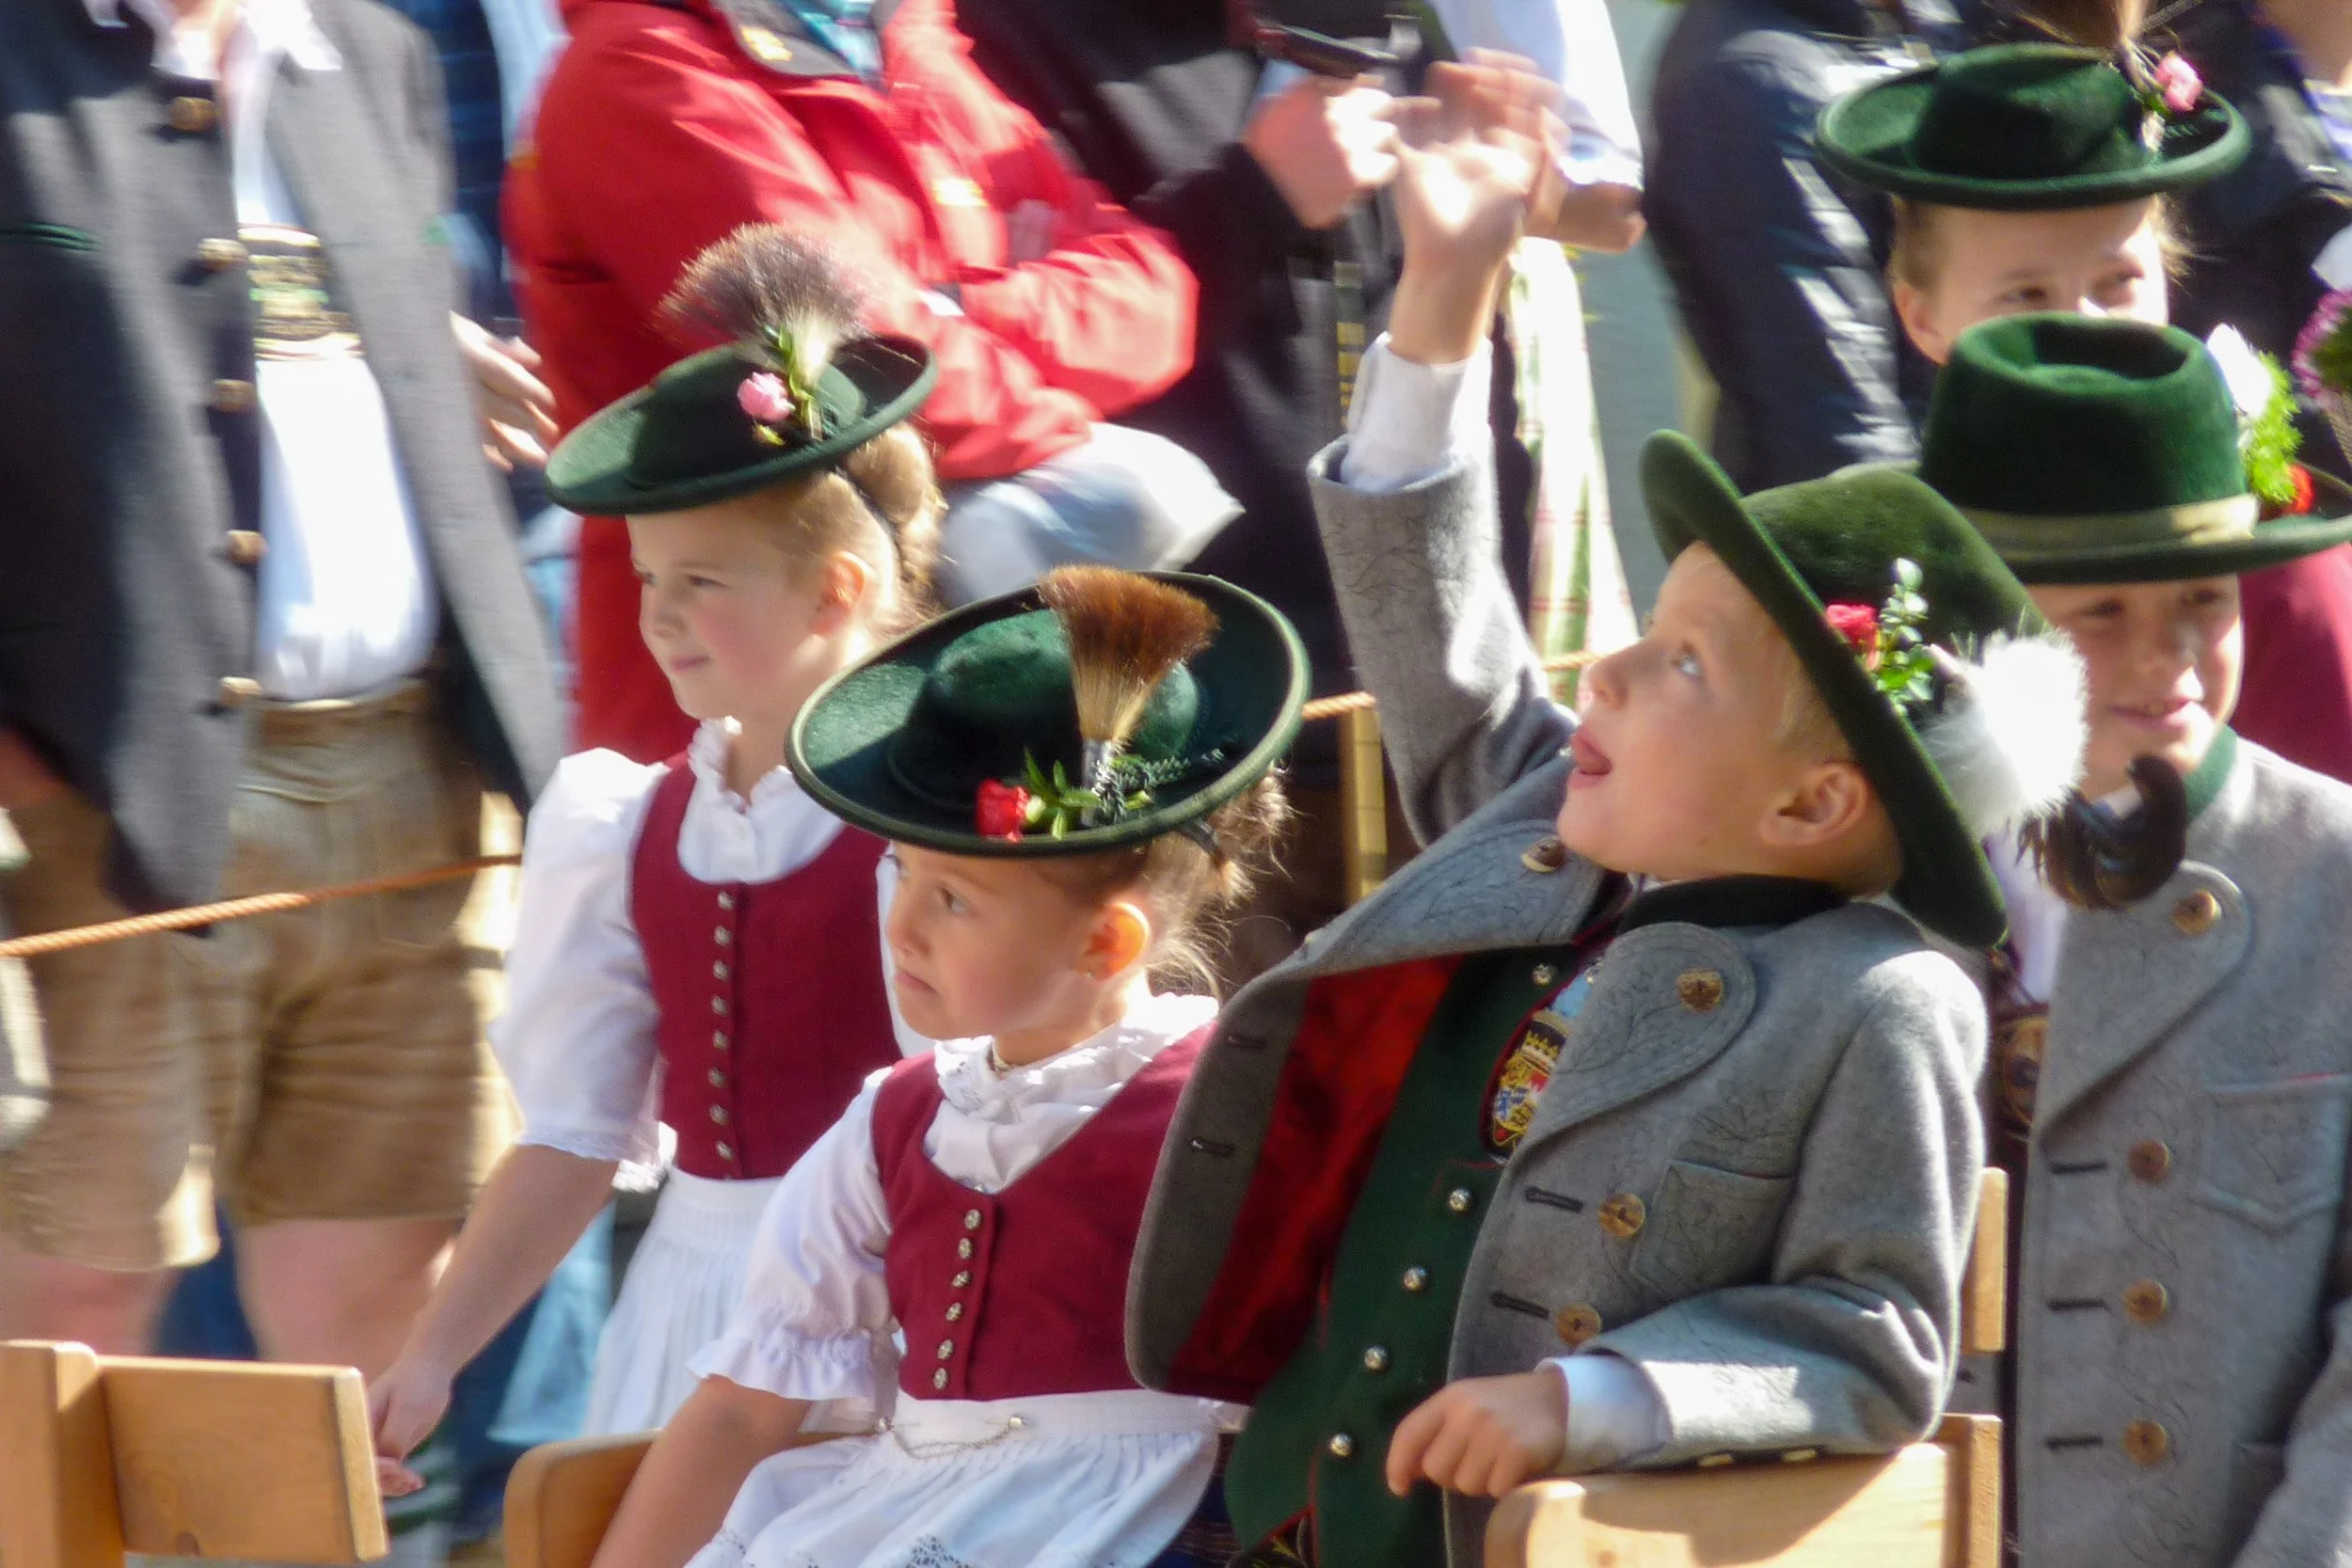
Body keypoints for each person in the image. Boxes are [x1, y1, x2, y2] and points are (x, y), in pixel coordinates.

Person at [1125, 104, 2087, 1567]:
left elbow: (1875, 1331)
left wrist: (1597, 1397)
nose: (1612, 671)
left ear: (1814, 801)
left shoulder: (1877, 999)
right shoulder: (1544, 835)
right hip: (1281, 1520)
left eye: (1685, 661)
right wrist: (1440, 298)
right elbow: (1436, 624)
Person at [0, 0, 561, 1394]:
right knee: (71, 1299)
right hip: (96, 799)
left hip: (412, 779)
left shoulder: (367, 53)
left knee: (377, 1297)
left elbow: (322, 321)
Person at [584, 563, 1306, 1568]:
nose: (902, 924)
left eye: (955, 898)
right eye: (903, 872)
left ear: (1105, 942)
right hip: (914, 1510)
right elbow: (743, 1412)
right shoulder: (895, 1120)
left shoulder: (1239, 1109)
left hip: (1147, 1518)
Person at [372, 231, 942, 1484]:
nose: (660, 614)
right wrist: (432, 1352)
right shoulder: (626, 820)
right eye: (645, 579)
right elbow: (574, 1133)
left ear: (835, 590)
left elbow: (969, 1123)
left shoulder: (923, 822)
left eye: (703, 579)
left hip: (887, 1307)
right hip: (687, 1300)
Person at [1912, 311, 2352, 1566]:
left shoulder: (2334, 877)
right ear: (1980, 631)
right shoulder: (1870, 858)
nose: (2170, 659)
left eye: (2205, 601)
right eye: (2100, 610)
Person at [507, 0, 1214, 765]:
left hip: (947, 672)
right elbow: (865, 373)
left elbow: (1158, 295)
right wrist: (1026, 355)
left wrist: (965, 309)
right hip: (744, 718)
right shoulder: (639, 67)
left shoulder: (899, 33)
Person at [1818, 40, 2352, 780]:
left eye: (2120, 281)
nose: (2083, 324)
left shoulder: (2273, 563)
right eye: (2025, 295)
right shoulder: (1881, 571)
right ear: (1920, 316)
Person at [1645, 0, 1981, 491]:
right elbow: (1836, 430)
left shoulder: (1927, 22)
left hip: (1975, 491)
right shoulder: (1751, 84)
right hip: (1883, 524)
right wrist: (1926, 551)